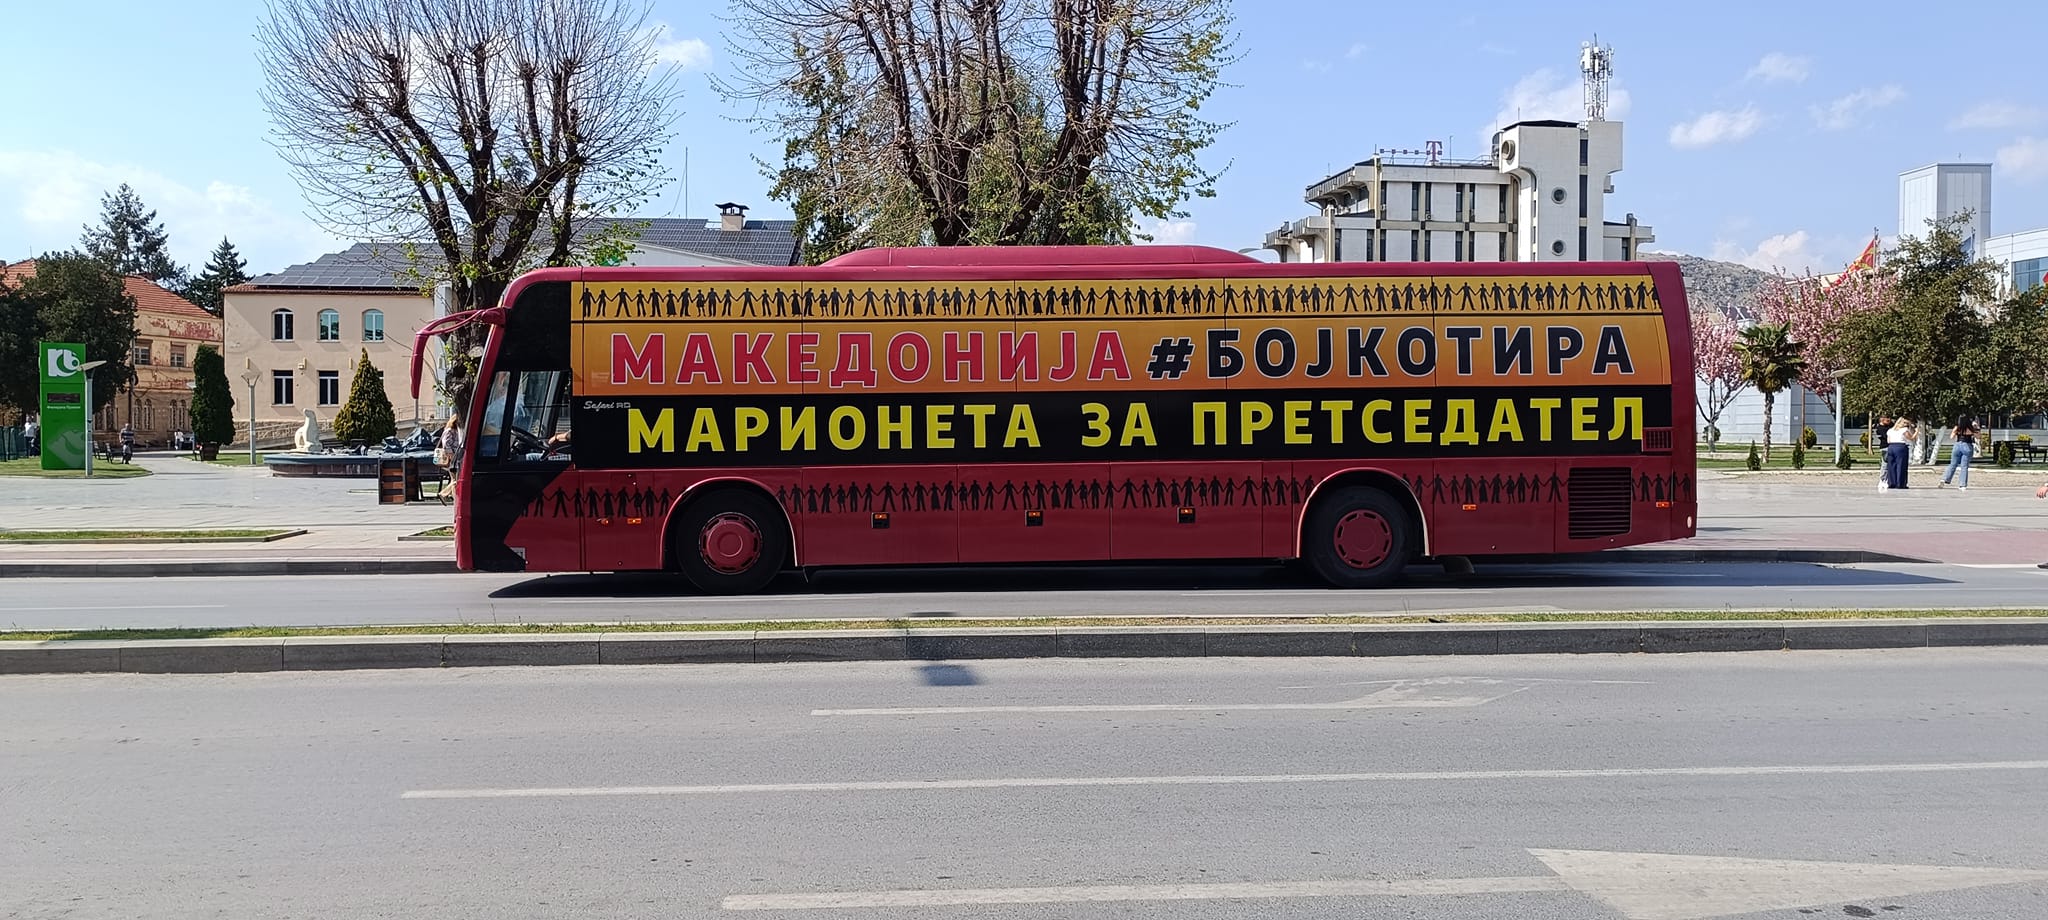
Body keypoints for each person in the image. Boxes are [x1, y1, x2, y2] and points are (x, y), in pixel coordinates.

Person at [1941, 417, 1980, 491]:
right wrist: (1977, 428)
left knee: (1953, 464)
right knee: (1964, 466)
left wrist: (1955, 432)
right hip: (1967, 445)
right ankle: (1962, 485)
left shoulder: (1957, 427)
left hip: (1957, 445)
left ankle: (1945, 479)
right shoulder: (1970, 428)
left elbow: (1951, 437)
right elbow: (1978, 437)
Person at [1884, 417, 1915, 489]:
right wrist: (1916, 432)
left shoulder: (1890, 430)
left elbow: (1888, 441)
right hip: (1900, 447)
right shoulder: (1904, 430)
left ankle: (1892, 483)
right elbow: (1911, 438)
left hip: (1891, 447)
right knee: (1901, 465)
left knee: (1891, 465)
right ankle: (1900, 483)